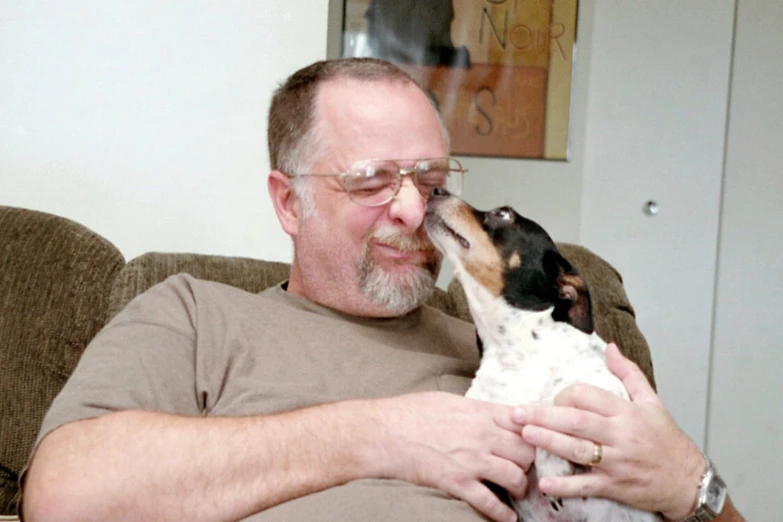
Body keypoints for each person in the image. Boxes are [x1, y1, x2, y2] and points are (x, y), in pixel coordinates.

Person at [21, 57, 744, 522]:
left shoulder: (524, 363)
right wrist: (379, 435)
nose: (412, 212)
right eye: (371, 180)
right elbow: (65, 497)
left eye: (430, 181)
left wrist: (692, 483)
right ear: (287, 202)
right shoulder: (194, 314)